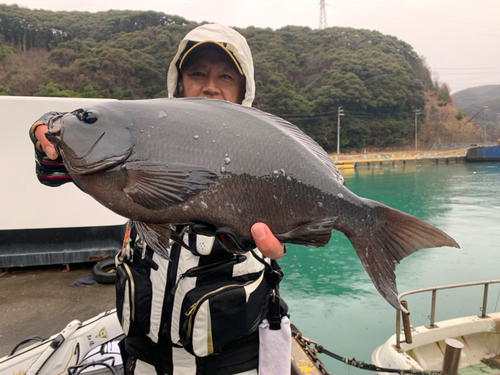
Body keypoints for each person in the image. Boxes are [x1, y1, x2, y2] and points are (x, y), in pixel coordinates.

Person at [30, 23, 291, 375]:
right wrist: (47, 130)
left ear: (244, 90)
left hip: (229, 361)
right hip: (143, 354)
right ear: (178, 82)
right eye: (197, 73)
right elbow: (57, 163)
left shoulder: (263, 151)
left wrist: (284, 239)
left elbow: (284, 234)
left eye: (226, 76)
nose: (210, 86)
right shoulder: (141, 136)